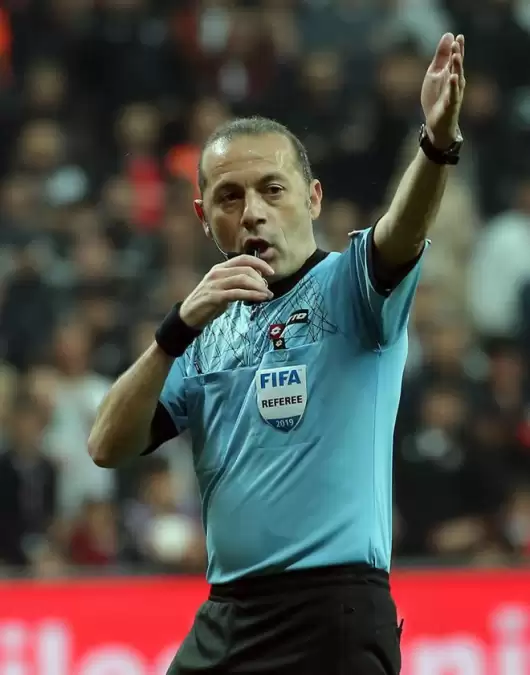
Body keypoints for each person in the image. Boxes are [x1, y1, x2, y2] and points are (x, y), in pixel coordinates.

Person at [89, 33, 466, 675]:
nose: (253, 213)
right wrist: (173, 331)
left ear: (312, 197)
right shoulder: (200, 328)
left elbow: (403, 231)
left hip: (332, 614)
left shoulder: (352, 287)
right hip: (229, 615)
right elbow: (106, 445)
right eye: (230, 197)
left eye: (272, 189)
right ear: (204, 216)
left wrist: (435, 144)